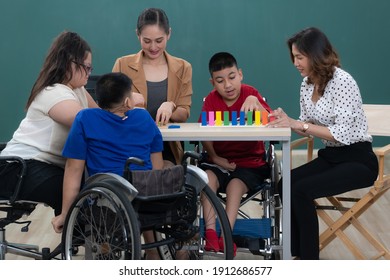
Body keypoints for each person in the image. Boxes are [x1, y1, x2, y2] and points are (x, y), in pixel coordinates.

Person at [268, 27, 379, 260]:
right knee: (283, 185)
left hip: (359, 160)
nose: (295, 63)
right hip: (332, 157)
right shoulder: (307, 84)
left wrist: (298, 125)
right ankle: (293, 253)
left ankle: (309, 261)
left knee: (300, 190)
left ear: (316, 55)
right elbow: (307, 123)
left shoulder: (343, 81)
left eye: (299, 57)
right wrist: (284, 120)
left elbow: (341, 134)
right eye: (293, 57)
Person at [51, 72, 164, 259]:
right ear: (128, 102)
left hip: (107, 196)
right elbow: (157, 165)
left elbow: (74, 169)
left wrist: (65, 214)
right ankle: (153, 251)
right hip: (146, 195)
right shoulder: (143, 117)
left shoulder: (85, 119)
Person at [0, 31, 98, 216]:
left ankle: (74, 241)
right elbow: (85, 120)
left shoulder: (78, 90)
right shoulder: (53, 92)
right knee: (76, 190)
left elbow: (98, 114)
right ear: (69, 64)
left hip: (40, 166)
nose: (89, 73)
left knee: (86, 185)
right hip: (19, 168)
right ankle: (71, 240)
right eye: (86, 67)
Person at [198, 52, 271, 255]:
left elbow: (271, 122)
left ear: (240, 74)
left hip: (249, 164)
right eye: (220, 81)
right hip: (218, 160)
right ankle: (211, 236)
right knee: (207, 179)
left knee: (235, 185)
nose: (227, 85)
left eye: (232, 77)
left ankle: (227, 237)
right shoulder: (212, 101)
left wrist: (256, 104)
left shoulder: (251, 94)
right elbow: (203, 133)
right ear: (213, 83)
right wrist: (214, 157)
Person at [112, 7, 192, 167]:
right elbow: (109, 110)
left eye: (159, 40)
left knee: (163, 177)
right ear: (138, 35)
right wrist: (128, 103)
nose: (153, 47)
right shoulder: (122, 64)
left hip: (165, 145)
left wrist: (172, 106)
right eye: (147, 41)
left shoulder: (183, 67)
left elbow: (184, 113)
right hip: (128, 142)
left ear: (169, 33)